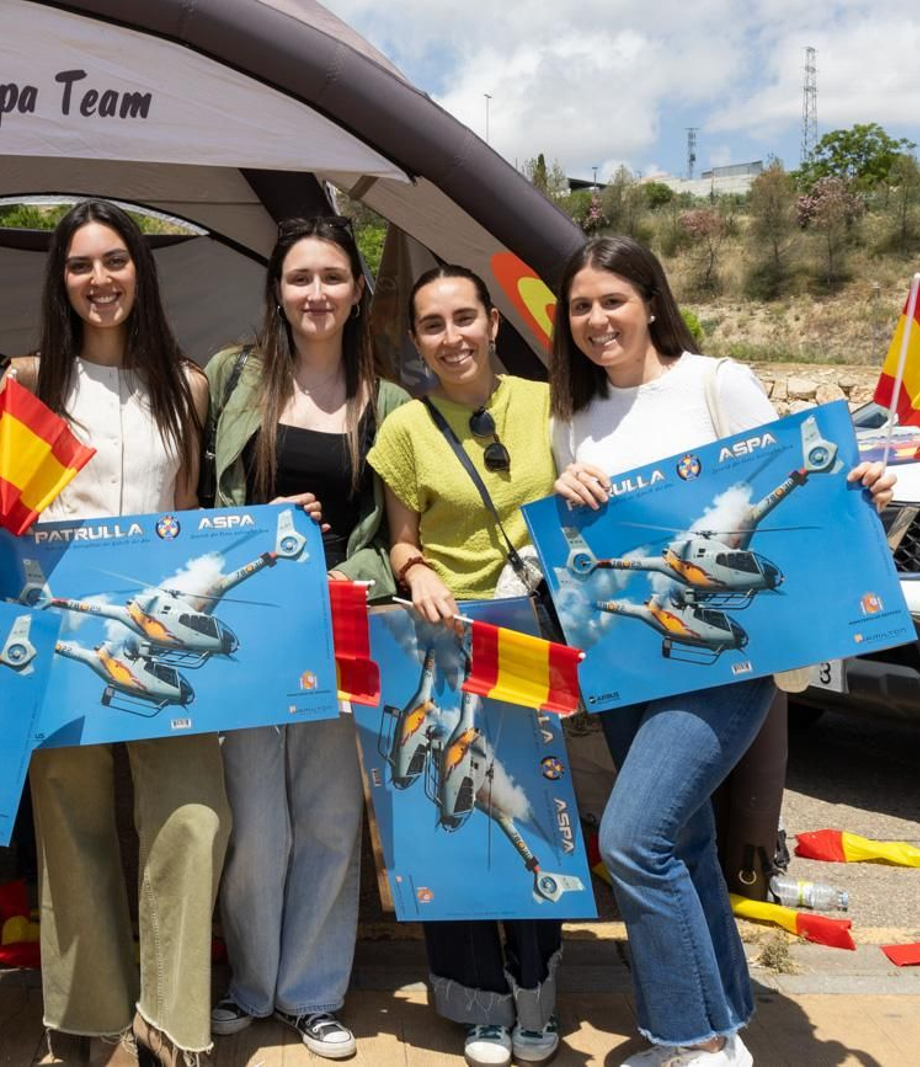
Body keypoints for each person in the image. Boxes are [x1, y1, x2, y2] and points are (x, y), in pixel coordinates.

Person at [549, 235, 894, 1067]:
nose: (597, 319)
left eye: (613, 300)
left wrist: (866, 493)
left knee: (634, 840)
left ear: (653, 301)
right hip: (637, 659)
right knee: (684, 840)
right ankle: (725, 1017)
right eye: (581, 306)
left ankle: (691, 1040)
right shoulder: (572, 417)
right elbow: (590, 545)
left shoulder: (717, 381)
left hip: (731, 658)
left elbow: (793, 487)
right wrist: (567, 493)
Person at [11, 199, 229, 1067]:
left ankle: (172, 1020)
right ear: (59, 280)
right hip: (65, 642)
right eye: (80, 264)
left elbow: (185, 516)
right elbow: (8, 520)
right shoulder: (28, 382)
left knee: (194, 815)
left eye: (115, 260)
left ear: (142, 270)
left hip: (163, 638)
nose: (99, 279)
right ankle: (90, 1018)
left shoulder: (191, 385)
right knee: (72, 825)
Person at [203, 216, 408, 1060]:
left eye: (332, 276)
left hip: (336, 622)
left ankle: (315, 991)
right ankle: (252, 983)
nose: (316, 293)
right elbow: (189, 504)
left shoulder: (388, 399)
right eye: (299, 278)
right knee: (256, 821)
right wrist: (261, 528)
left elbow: (396, 525)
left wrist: (352, 570)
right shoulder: (230, 377)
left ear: (358, 290)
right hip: (247, 626)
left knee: (328, 815)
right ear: (277, 291)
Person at [368, 265, 565, 1067]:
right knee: (446, 810)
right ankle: (477, 1001)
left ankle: (536, 992)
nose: (451, 337)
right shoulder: (407, 428)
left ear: (491, 321)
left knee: (527, 795)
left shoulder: (551, 404)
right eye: (432, 325)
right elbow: (401, 537)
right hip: (444, 634)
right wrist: (414, 571)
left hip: (530, 633)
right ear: (416, 339)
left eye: (463, 318)